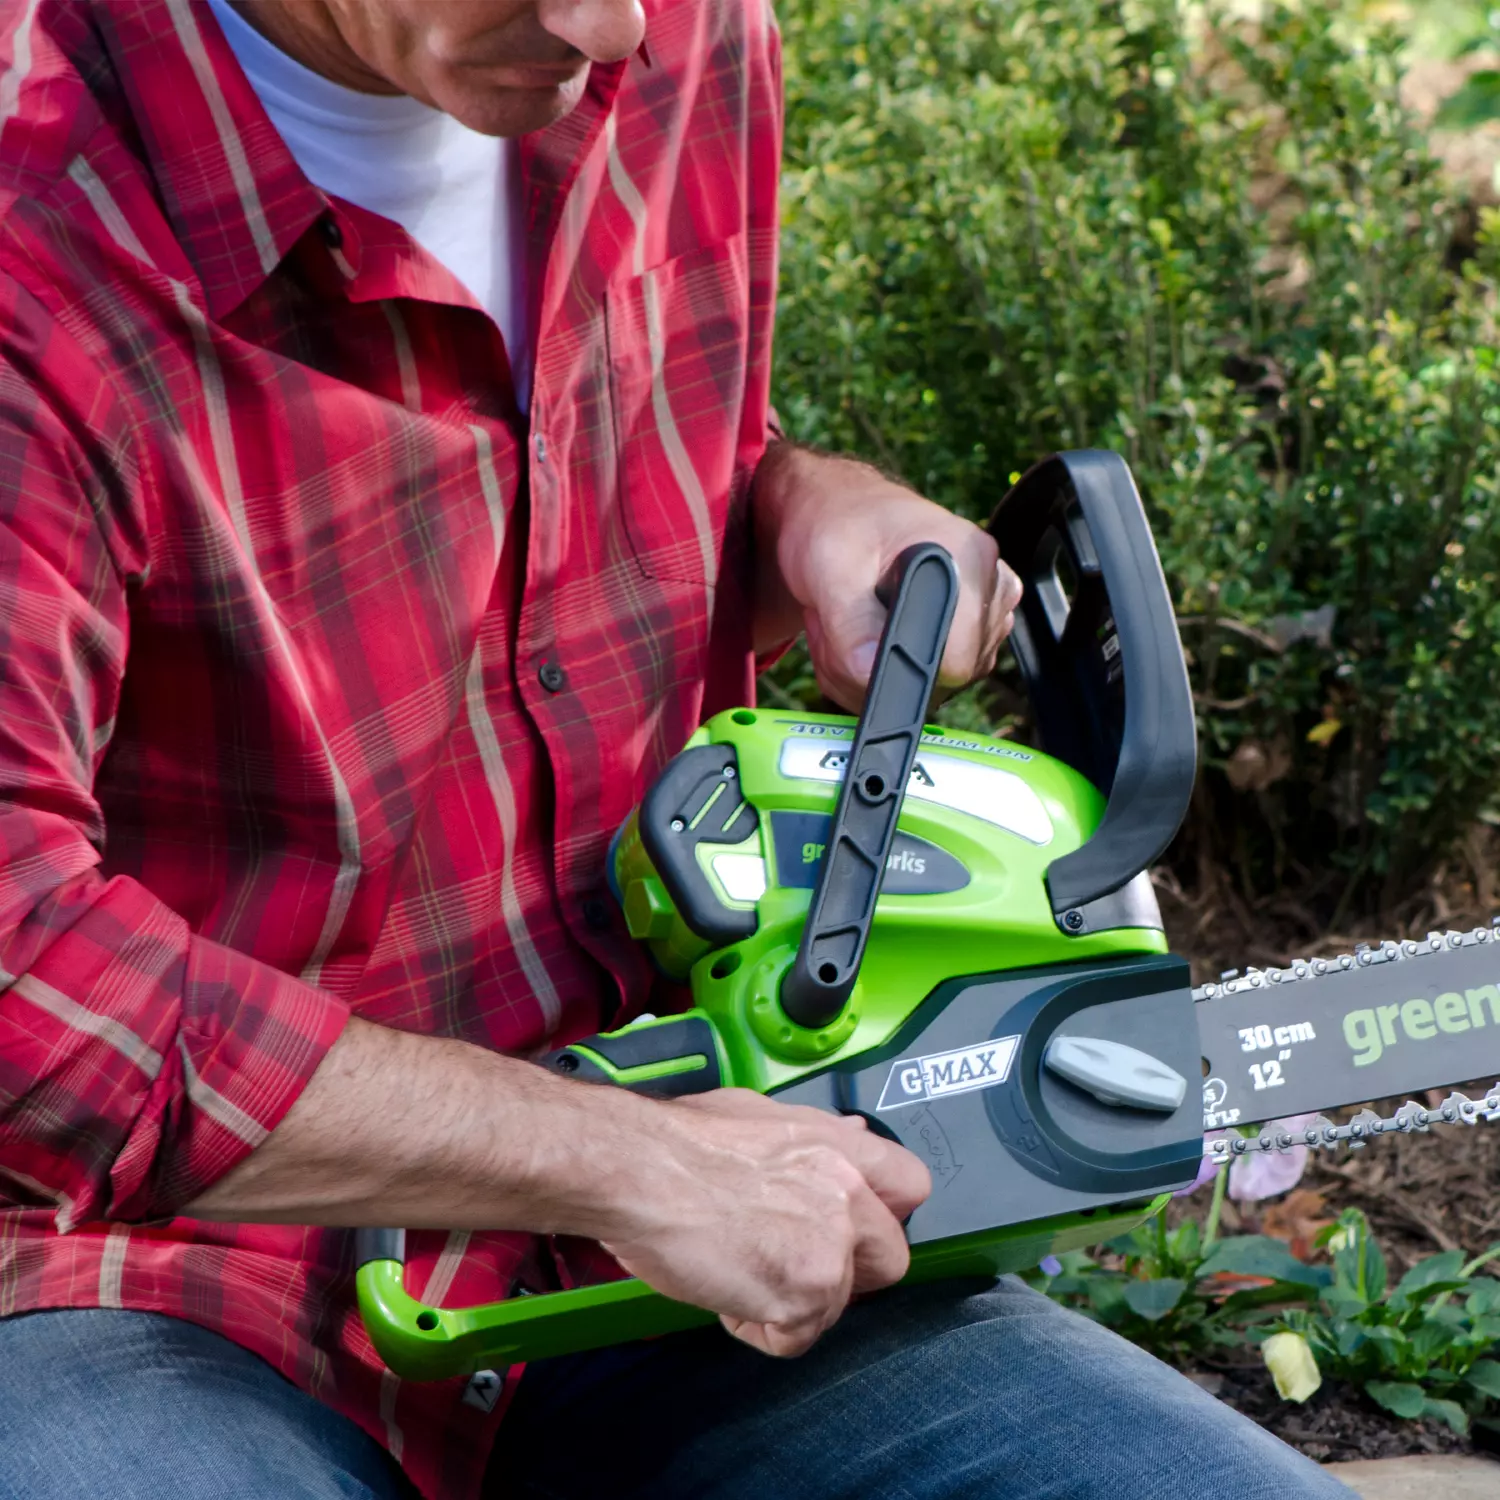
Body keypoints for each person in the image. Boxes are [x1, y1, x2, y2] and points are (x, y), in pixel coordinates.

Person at [0, 2, 1353, 1497]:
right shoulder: (35, 231)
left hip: (678, 1219)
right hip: (141, 1276)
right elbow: (19, 975)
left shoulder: (679, 41)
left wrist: (795, 507)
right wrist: (615, 1159)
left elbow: (569, 486)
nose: (608, 25)